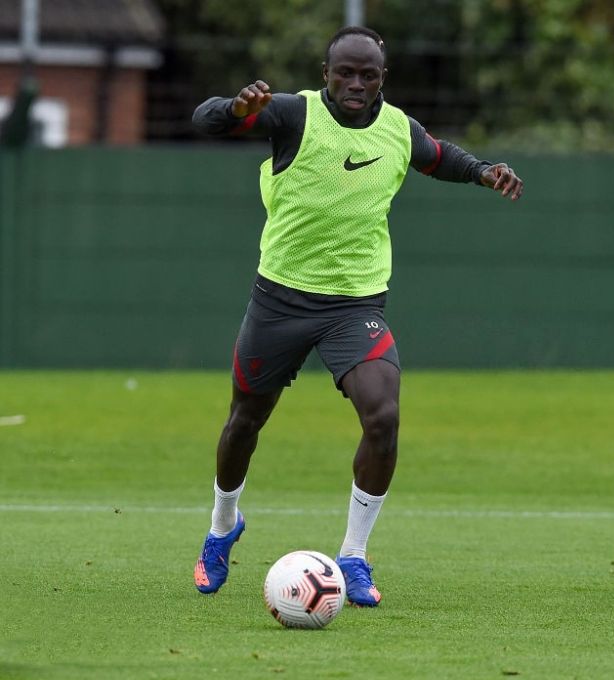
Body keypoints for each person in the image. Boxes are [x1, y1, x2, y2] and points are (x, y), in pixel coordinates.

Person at [190, 26, 523, 606]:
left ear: (381, 81)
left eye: (368, 75)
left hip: (355, 305)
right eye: (345, 72)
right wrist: (233, 106)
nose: (355, 83)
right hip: (280, 299)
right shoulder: (292, 115)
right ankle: (222, 529)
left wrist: (484, 171)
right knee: (244, 422)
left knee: (383, 416)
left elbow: (439, 157)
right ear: (326, 74)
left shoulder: (398, 128)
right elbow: (207, 121)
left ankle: (354, 556)